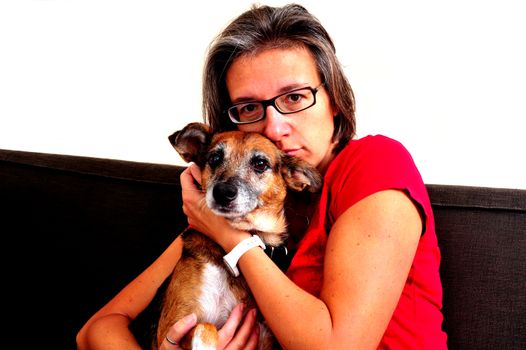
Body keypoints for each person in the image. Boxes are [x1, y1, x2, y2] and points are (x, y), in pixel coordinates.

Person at [77, 3, 447, 349]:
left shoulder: (374, 162)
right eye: (250, 107)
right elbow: (96, 329)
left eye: (294, 98)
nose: (274, 126)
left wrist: (229, 236)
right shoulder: (239, 208)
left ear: (334, 97)